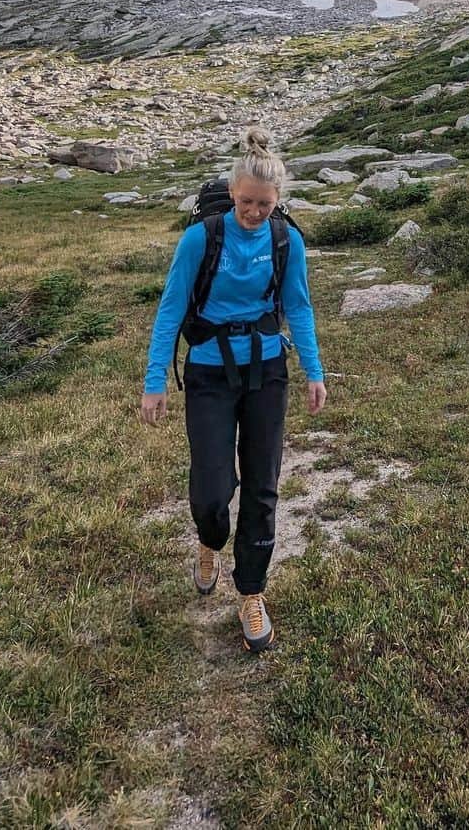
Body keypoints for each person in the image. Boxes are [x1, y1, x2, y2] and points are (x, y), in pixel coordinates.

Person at [140, 126, 326, 652]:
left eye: (264, 205)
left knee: (263, 486)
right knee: (212, 488)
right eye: (246, 202)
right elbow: (171, 309)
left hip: (267, 371)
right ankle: (208, 540)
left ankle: (251, 592)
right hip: (208, 373)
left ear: (278, 201)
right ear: (232, 194)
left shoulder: (287, 239)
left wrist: (315, 372)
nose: (253, 212)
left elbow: (300, 308)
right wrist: (156, 382)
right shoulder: (202, 236)